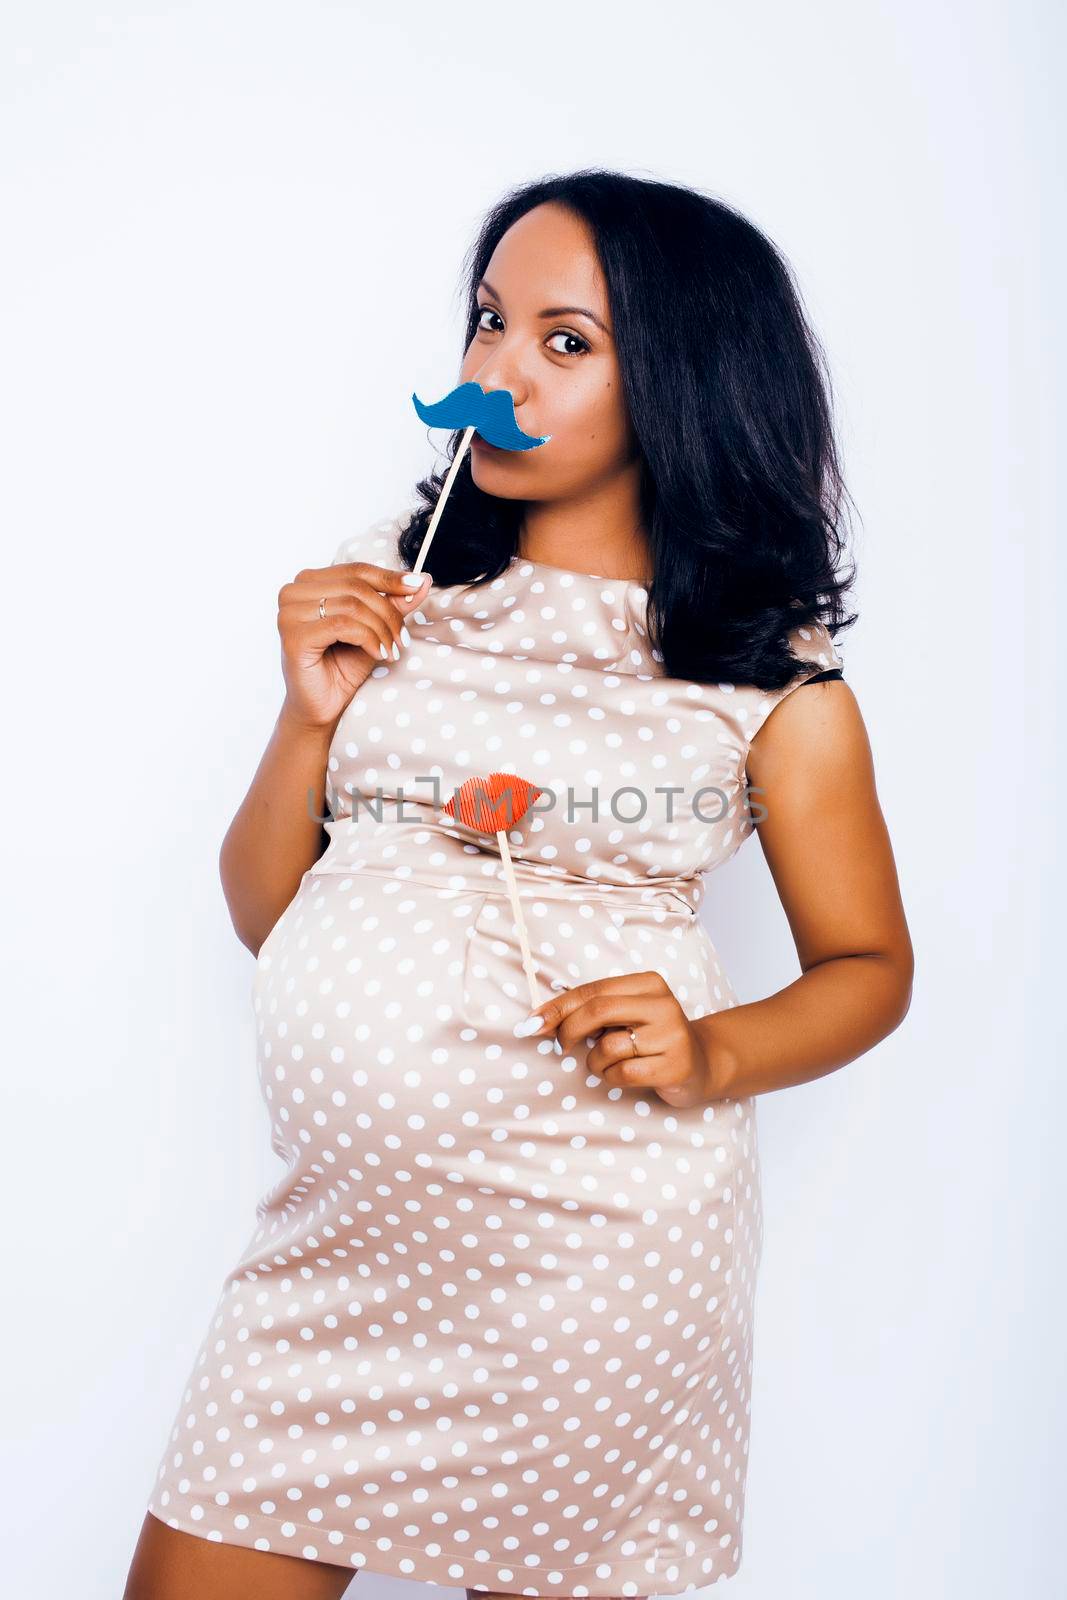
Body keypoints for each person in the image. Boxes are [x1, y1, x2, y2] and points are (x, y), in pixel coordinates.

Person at [124, 169, 914, 1600]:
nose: (496, 371)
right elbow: (266, 916)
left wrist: (717, 1049)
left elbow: (869, 969)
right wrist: (309, 714)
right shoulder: (389, 595)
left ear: (682, 378)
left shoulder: (771, 682)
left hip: (593, 1270)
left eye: (564, 341)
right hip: (333, 1254)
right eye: (487, 322)